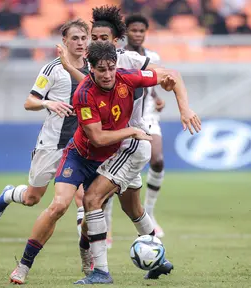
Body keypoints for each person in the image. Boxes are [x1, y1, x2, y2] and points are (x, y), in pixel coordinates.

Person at [9, 40, 187, 285]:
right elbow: (98, 137)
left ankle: (153, 257)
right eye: (101, 69)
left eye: (111, 68)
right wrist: (130, 131)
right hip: (81, 156)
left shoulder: (128, 77)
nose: (107, 74)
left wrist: (181, 104)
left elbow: (172, 75)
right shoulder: (83, 93)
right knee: (59, 206)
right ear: (90, 68)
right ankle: (23, 266)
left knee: (126, 209)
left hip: (111, 158)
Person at [59, 5, 200, 251]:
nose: (98, 42)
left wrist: (183, 107)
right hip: (114, 139)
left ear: (116, 40)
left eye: (104, 38)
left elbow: (169, 77)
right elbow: (91, 88)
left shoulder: (131, 61)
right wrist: (70, 69)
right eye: (94, 38)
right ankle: (156, 254)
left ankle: (97, 264)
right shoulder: (91, 62)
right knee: (131, 207)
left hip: (131, 140)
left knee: (94, 198)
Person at [0, 19, 90, 239]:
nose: (80, 43)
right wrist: (48, 103)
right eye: (75, 38)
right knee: (32, 198)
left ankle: (90, 259)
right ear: (64, 41)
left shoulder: (93, 66)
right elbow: (29, 102)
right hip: (53, 143)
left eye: (84, 38)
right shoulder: (52, 69)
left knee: (84, 198)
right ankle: (9, 194)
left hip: (82, 145)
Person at [106, 13, 167, 238]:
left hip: (148, 116)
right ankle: (107, 224)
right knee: (112, 173)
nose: (138, 34)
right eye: (134, 30)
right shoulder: (119, 57)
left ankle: (150, 212)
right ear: (126, 33)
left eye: (142, 31)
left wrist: (158, 98)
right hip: (122, 117)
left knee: (158, 160)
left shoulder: (152, 56)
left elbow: (152, 81)